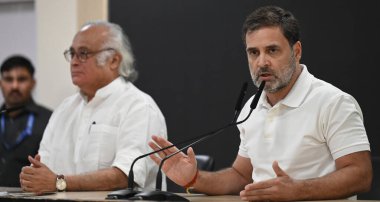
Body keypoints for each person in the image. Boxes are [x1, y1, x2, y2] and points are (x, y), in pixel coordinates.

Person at [149, 5, 372, 201]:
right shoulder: (252, 107)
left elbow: (360, 174)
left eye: (272, 50)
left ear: (297, 51)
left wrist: (298, 190)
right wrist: (194, 178)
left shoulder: (333, 102)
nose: (262, 62)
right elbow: (240, 176)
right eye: (253, 52)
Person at [19, 21, 167, 194]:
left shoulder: (138, 107)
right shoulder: (65, 108)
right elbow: (44, 171)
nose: (73, 62)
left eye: (83, 54)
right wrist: (32, 177)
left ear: (113, 60)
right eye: (72, 53)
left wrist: (60, 182)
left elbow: (127, 175)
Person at [0, 55, 52, 187]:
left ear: (33, 83)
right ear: (1, 83)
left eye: (21, 79)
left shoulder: (50, 119)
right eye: (8, 79)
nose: (15, 86)